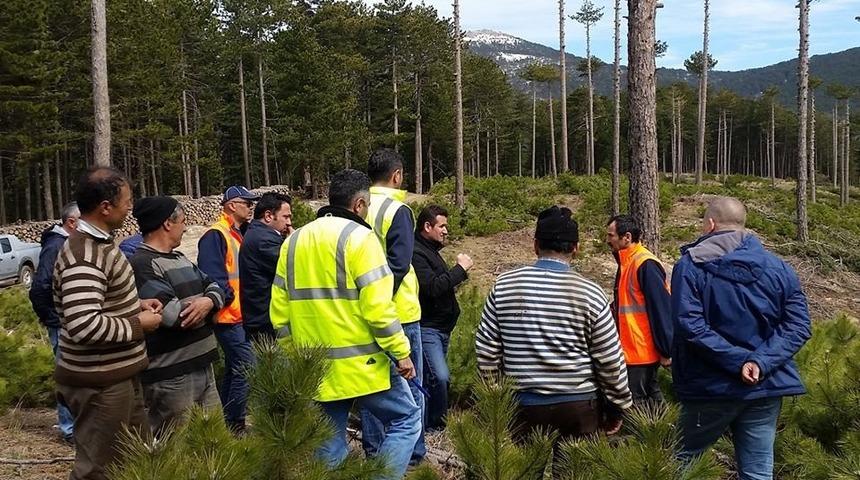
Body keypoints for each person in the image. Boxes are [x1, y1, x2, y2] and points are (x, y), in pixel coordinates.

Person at [270, 169, 420, 480]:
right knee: (407, 419)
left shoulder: (293, 241)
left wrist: (295, 357)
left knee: (328, 443)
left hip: (316, 366)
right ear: (360, 204)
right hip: (364, 366)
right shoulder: (361, 239)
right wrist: (401, 352)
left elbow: (280, 313)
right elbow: (379, 310)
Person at [672, 196, 811, 480]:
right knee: (758, 470)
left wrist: (740, 361)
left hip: (709, 386)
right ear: (743, 226)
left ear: (710, 224)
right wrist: (759, 362)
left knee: (685, 461)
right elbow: (798, 325)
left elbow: (690, 326)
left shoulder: (690, 266)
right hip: (763, 384)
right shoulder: (780, 267)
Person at [476, 206, 632, 444]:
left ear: (536, 245)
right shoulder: (591, 293)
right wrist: (618, 405)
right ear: (575, 248)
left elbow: (487, 350)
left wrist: (495, 400)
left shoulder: (504, 286)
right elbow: (610, 359)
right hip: (579, 406)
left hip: (522, 406)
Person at [53, 167, 162, 480]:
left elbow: (96, 302)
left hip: (115, 376)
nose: (130, 207)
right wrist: (138, 323)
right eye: (127, 201)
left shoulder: (101, 244)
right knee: (100, 470)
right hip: (99, 383)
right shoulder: (84, 254)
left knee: (132, 459)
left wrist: (133, 304)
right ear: (105, 207)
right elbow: (84, 325)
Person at [129, 197, 226, 435]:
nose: (185, 227)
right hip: (172, 377)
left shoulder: (180, 258)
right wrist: (210, 303)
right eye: (183, 221)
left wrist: (208, 300)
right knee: (177, 449)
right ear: (167, 224)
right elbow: (174, 316)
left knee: (214, 443)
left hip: (203, 367)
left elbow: (216, 287)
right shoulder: (143, 264)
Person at [361, 148, 425, 463]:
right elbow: (399, 265)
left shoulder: (357, 206)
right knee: (411, 388)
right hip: (399, 313)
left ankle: (375, 451)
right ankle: (412, 456)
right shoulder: (397, 210)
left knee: (373, 387)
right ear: (397, 175)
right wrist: (382, 298)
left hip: (363, 314)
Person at [197, 185, 259, 434]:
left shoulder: (236, 233)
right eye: (247, 202)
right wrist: (229, 297)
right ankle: (234, 424)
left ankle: (226, 420)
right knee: (247, 367)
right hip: (228, 317)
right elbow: (213, 278)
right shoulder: (216, 235)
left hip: (239, 316)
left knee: (237, 369)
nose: (251, 206)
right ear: (232, 205)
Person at [412, 205, 472, 430]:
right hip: (428, 329)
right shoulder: (416, 253)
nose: (446, 231)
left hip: (440, 329)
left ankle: (427, 425)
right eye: (442, 226)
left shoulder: (429, 251)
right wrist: (460, 269)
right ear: (427, 226)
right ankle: (435, 427)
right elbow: (432, 288)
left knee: (431, 378)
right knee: (439, 377)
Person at [605, 214, 672, 403]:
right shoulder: (627, 262)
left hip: (640, 351)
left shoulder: (644, 263)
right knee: (651, 400)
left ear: (626, 237)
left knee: (638, 405)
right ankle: (667, 431)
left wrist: (666, 350)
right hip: (634, 350)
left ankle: (659, 432)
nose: (607, 240)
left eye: (611, 236)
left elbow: (661, 309)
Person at [29, 201, 80, 444]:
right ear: (71, 222)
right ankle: (69, 429)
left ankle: (76, 424)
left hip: (69, 323)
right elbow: (39, 288)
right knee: (67, 374)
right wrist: (55, 319)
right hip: (61, 324)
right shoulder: (55, 246)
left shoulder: (68, 243)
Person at [239, 192, 293, 342]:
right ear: (268, 216)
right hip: (265, 323)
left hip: (259, 319)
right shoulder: (264, 241)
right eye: (286, 217)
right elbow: (292, 265)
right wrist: (294, 242)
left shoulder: (259, 234)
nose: (289, 223)